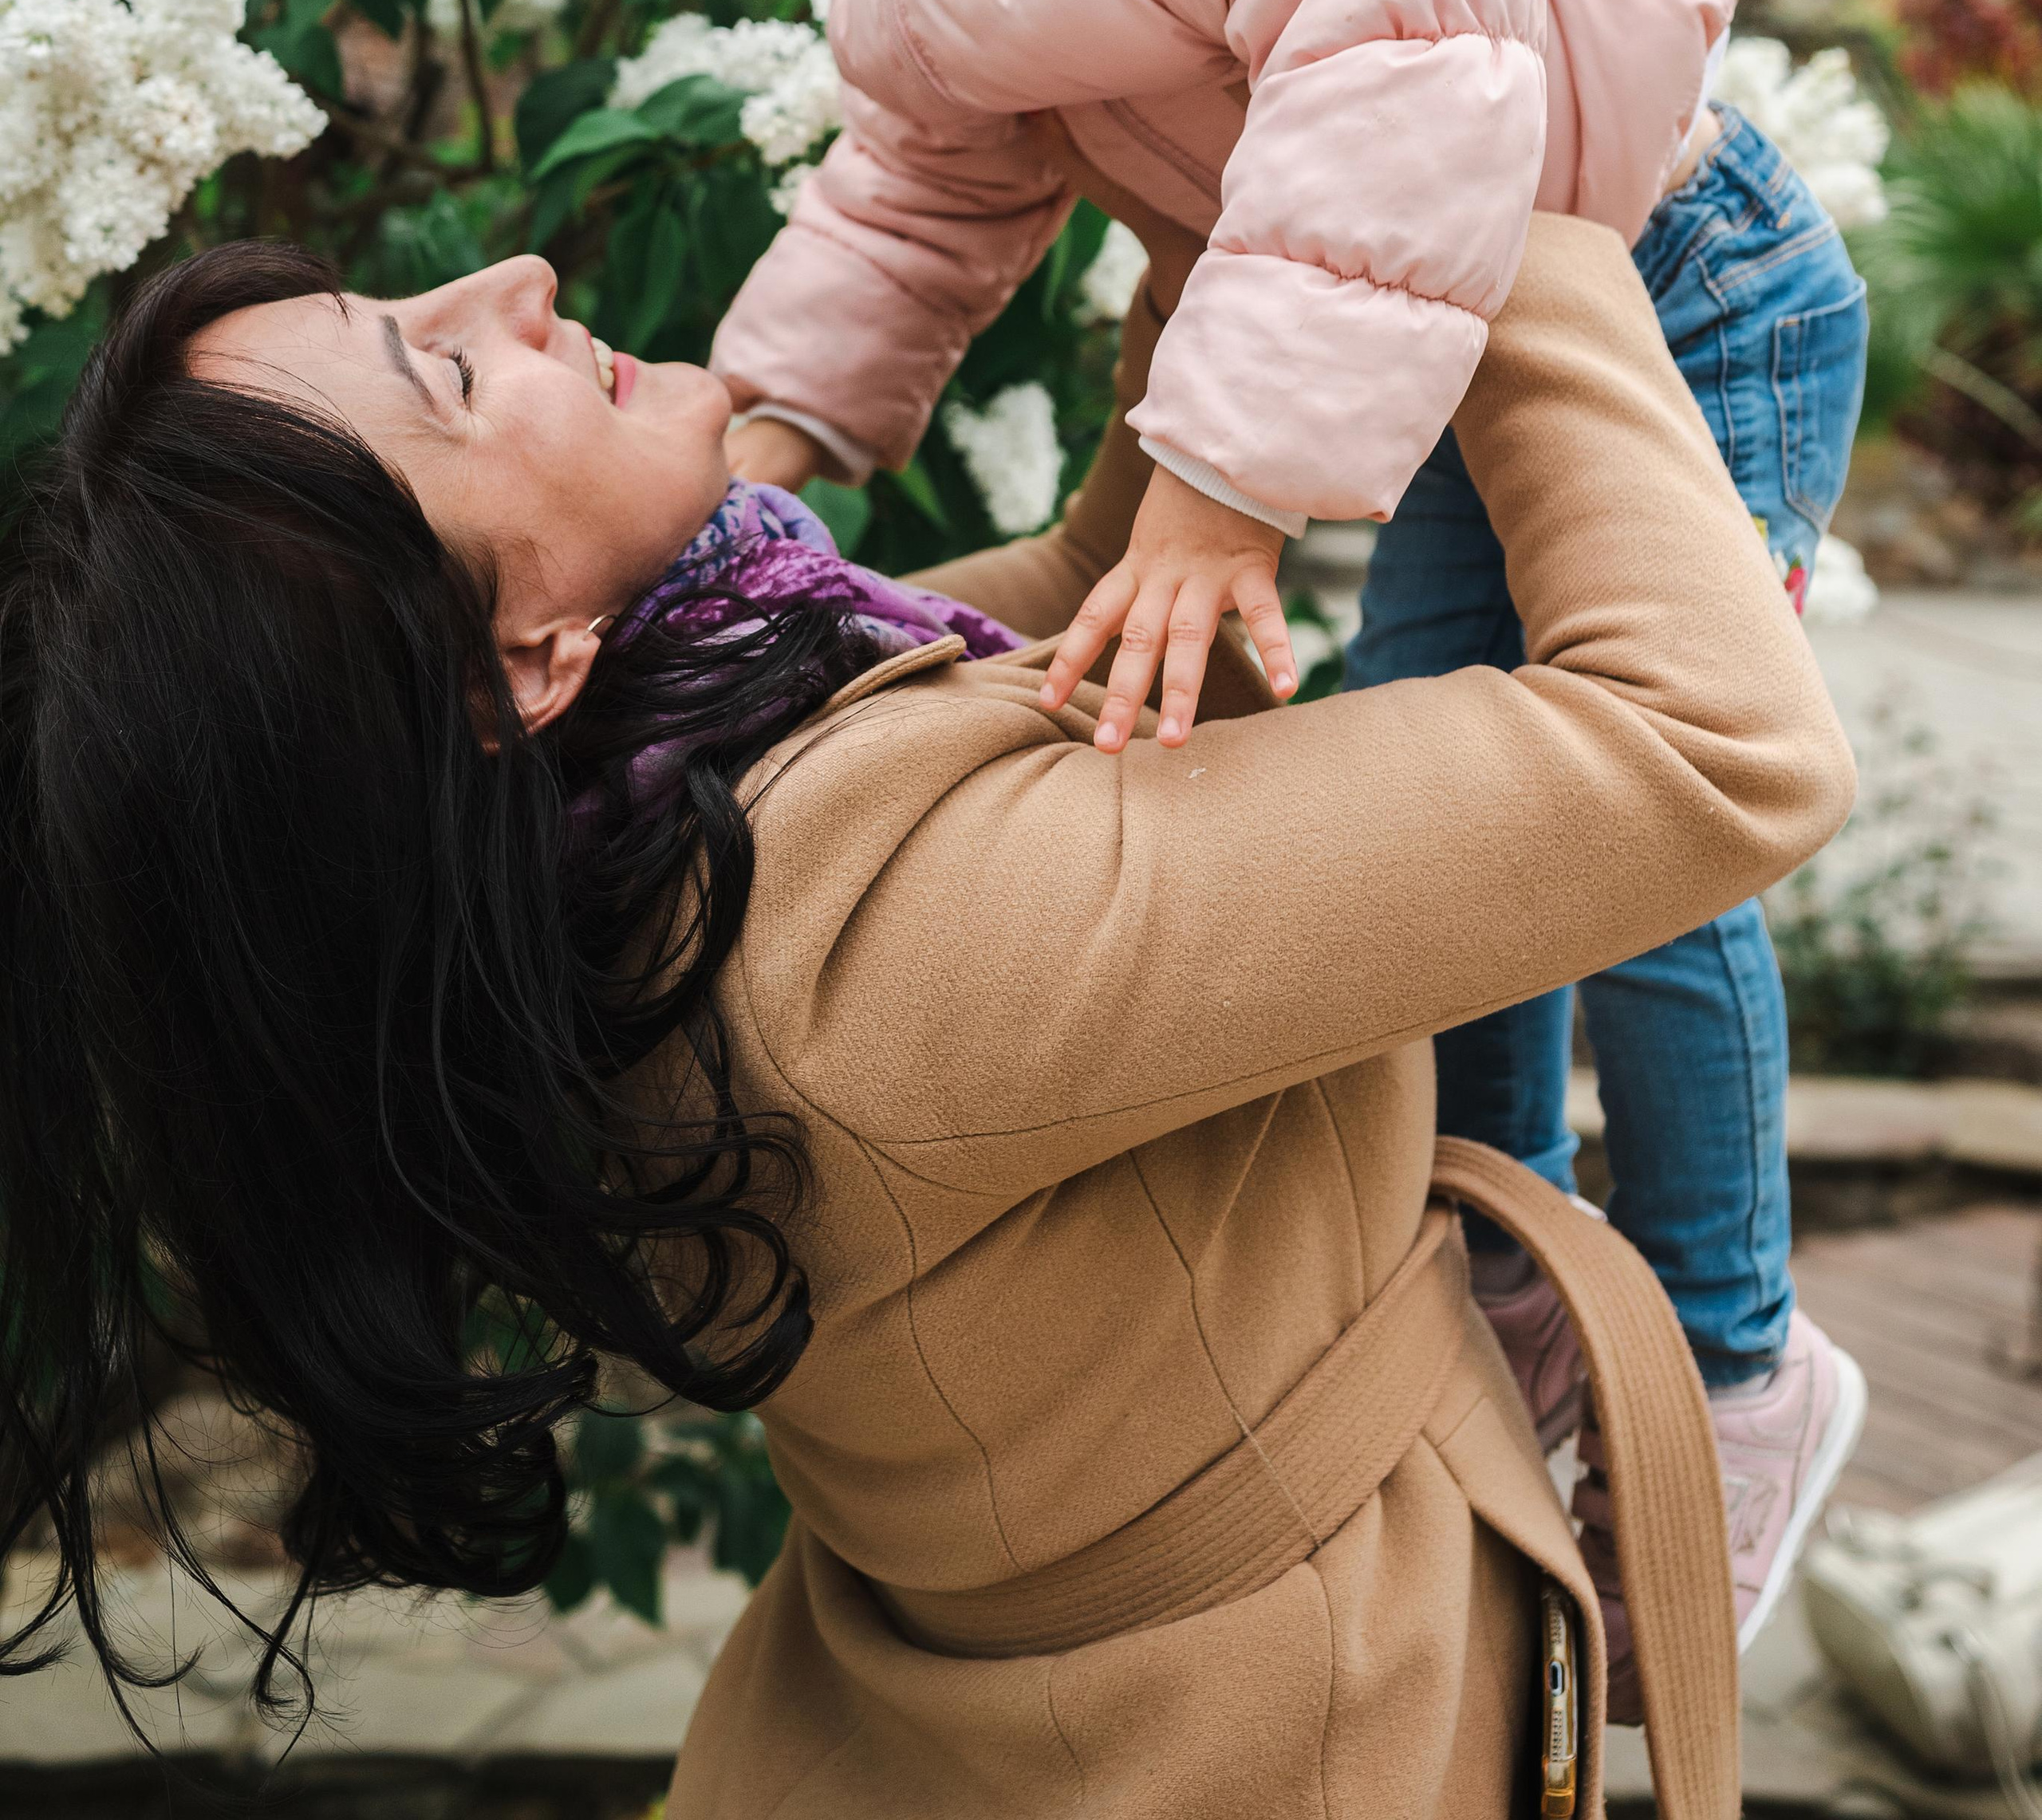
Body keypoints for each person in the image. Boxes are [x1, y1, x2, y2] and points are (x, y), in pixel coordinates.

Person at [0, 208, 1854, 1817]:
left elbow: (1079, 613)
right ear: (520, 657)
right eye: (450, 378)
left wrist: (1264, 218)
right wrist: (1505, 206)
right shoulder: (879, 953)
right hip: (1259, 1740)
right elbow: (1713, 746)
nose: (519, 281)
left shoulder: (639, 806)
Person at [674, 0, 1870, 1664]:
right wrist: (761, 444)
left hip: (1671, 295)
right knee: (1463, 826)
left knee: (1635, 845)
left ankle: (1737, 1358)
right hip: (1443, 343)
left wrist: (1222, 481)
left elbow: (1411, 63)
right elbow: (910, 207)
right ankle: (1526, 1276)